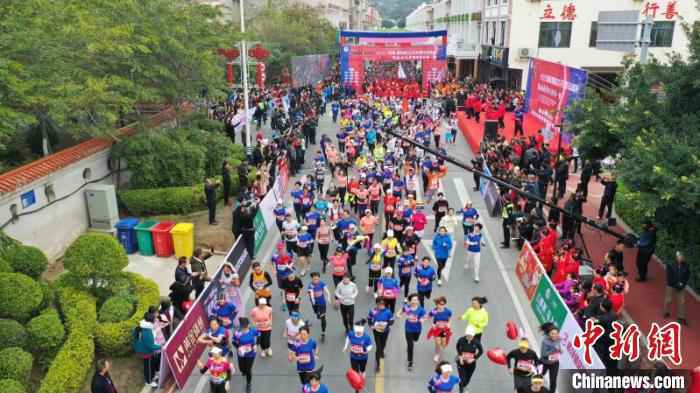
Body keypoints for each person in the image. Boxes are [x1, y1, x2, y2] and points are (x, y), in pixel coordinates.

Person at [397, 293, 427, 371]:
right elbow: (398, 313)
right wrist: (399, 316)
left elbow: (425, 317)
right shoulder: (407, 308)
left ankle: (411, 344)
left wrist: (422, 320)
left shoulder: (421, 309)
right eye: (413, 300)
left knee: (415, 340)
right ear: (410, 301)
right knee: (410, 345)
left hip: (417, 329)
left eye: (416, 300)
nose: (415, 301)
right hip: (408, 329)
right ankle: (410, 362)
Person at [132, 312, 162, 388]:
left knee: (150, 364)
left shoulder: (142, 326)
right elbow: (150, 346)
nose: (155, 319)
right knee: (148, 366)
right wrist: (160, 347)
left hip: (142, 349)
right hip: (145, 352)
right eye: (154, 319)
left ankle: (152, 376)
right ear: (151, 321)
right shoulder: (147, 331)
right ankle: (148, 381)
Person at [232, 317, 259, 393]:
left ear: (248, 325)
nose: (244, 328)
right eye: (242, 326)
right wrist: (238, 347)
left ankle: (248, 384)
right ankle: (243, 371)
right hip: (241, 353)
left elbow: (259, 335)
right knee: (241, 368)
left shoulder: (253, 330)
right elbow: (233, 342)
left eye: (245, 326)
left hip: (251, 353)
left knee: (248, 369)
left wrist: (256, 344)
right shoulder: (237, 333)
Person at [663, 251, 691, 326]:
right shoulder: (670, 264)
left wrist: (682, 283)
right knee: (668, 299)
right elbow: (669, 276)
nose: (680, 258)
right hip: (671, 285)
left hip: (681, 285)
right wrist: (676, 283)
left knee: (682, 301)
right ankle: (666, 312)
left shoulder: (686, 265)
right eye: (679, 256)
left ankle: (681, 318)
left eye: (682, 256)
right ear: (676, 257)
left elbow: (687, 276)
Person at [368, 298, 395, 372]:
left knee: (383, 344)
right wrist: (371, 325)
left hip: (385, 331)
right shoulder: (373, 311)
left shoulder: (388, 312)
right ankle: (378, 365)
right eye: (379, 304)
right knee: (378, 348)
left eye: (382, 304)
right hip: (376, 331)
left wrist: (386, 325)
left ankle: (382, 351)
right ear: (376, 304)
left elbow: (392, 321)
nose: (381, 306)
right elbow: (369, 319)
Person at [455, 325, 483, 393]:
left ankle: (463, 386)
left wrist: (474, 358)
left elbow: (481, 351)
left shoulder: (476, 342)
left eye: (471, 336)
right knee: (463, 379)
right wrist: (460, 356)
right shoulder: (461, 340)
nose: (469, 337)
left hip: (471, 364)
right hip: (461, 362)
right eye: (468, 336)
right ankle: (461, 389)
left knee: (468, 378)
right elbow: (458, 347)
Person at [427, 296, 453, 362]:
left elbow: (450, 318)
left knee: (443, 345)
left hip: (444, 329)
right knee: (438, 343)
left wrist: (449, 324)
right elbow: (429, 317)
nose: (441, 306)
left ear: (445, 304)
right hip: (436, 329)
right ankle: (437, 354)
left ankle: (439, 347)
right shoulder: (434, 311)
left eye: (443, 304)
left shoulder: (448, 311)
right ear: (436, 304)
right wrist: (432, 324)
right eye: (439, 304)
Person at [539, 322, 561, 393]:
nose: (555, 335)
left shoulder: (558, 338)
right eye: (552, 334)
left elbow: (558, 347)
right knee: (539, 376)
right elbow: (544, 354)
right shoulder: (545, 341)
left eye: (556, 334)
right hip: (545, 362)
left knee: (553, 380)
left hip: (554, 363)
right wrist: (554, 349)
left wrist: (559, 350)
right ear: (548, 334)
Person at [308, 272, 331, 341]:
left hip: (322, 303)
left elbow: (327, 291)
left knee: (323, 318)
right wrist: (314, 302)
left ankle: (323, 333)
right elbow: (311, 295)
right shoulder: (310, 286)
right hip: (315, 303)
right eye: (314, 279)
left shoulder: (321, 283)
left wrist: (329, 297)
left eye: (317, 279)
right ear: (312, 279)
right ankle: (318, 314)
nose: (316, 281)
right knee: (317, 314)